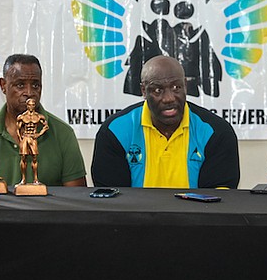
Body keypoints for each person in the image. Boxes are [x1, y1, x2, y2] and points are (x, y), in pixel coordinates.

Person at [91, 55, 240, 189]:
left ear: (185, 86)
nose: (169, 98)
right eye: (157, 90)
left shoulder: (216, 132)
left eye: (176, 87)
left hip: (196, 219)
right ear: (143, 91)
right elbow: (111, 205)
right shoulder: (115, 131)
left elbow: (218, 205)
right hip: (134, 220)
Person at [0, 54, 87, 186]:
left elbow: (77, 198)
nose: (29, 92)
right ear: (3, 85)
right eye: (20, 85)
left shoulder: (62, 133)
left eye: (36, 85)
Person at [15, 98, 49, 185]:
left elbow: (46, 127)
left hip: (33, 138)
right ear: (27, 105)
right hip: (25, 137)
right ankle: (23, 179)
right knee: (23, 158)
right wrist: (20, 139)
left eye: (33, 105)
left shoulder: (38, 116)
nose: (31, 107)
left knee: (34, 158)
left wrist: (39, 134)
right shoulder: (22, 117)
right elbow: (18, 129)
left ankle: (35, 179)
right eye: (29, 105)